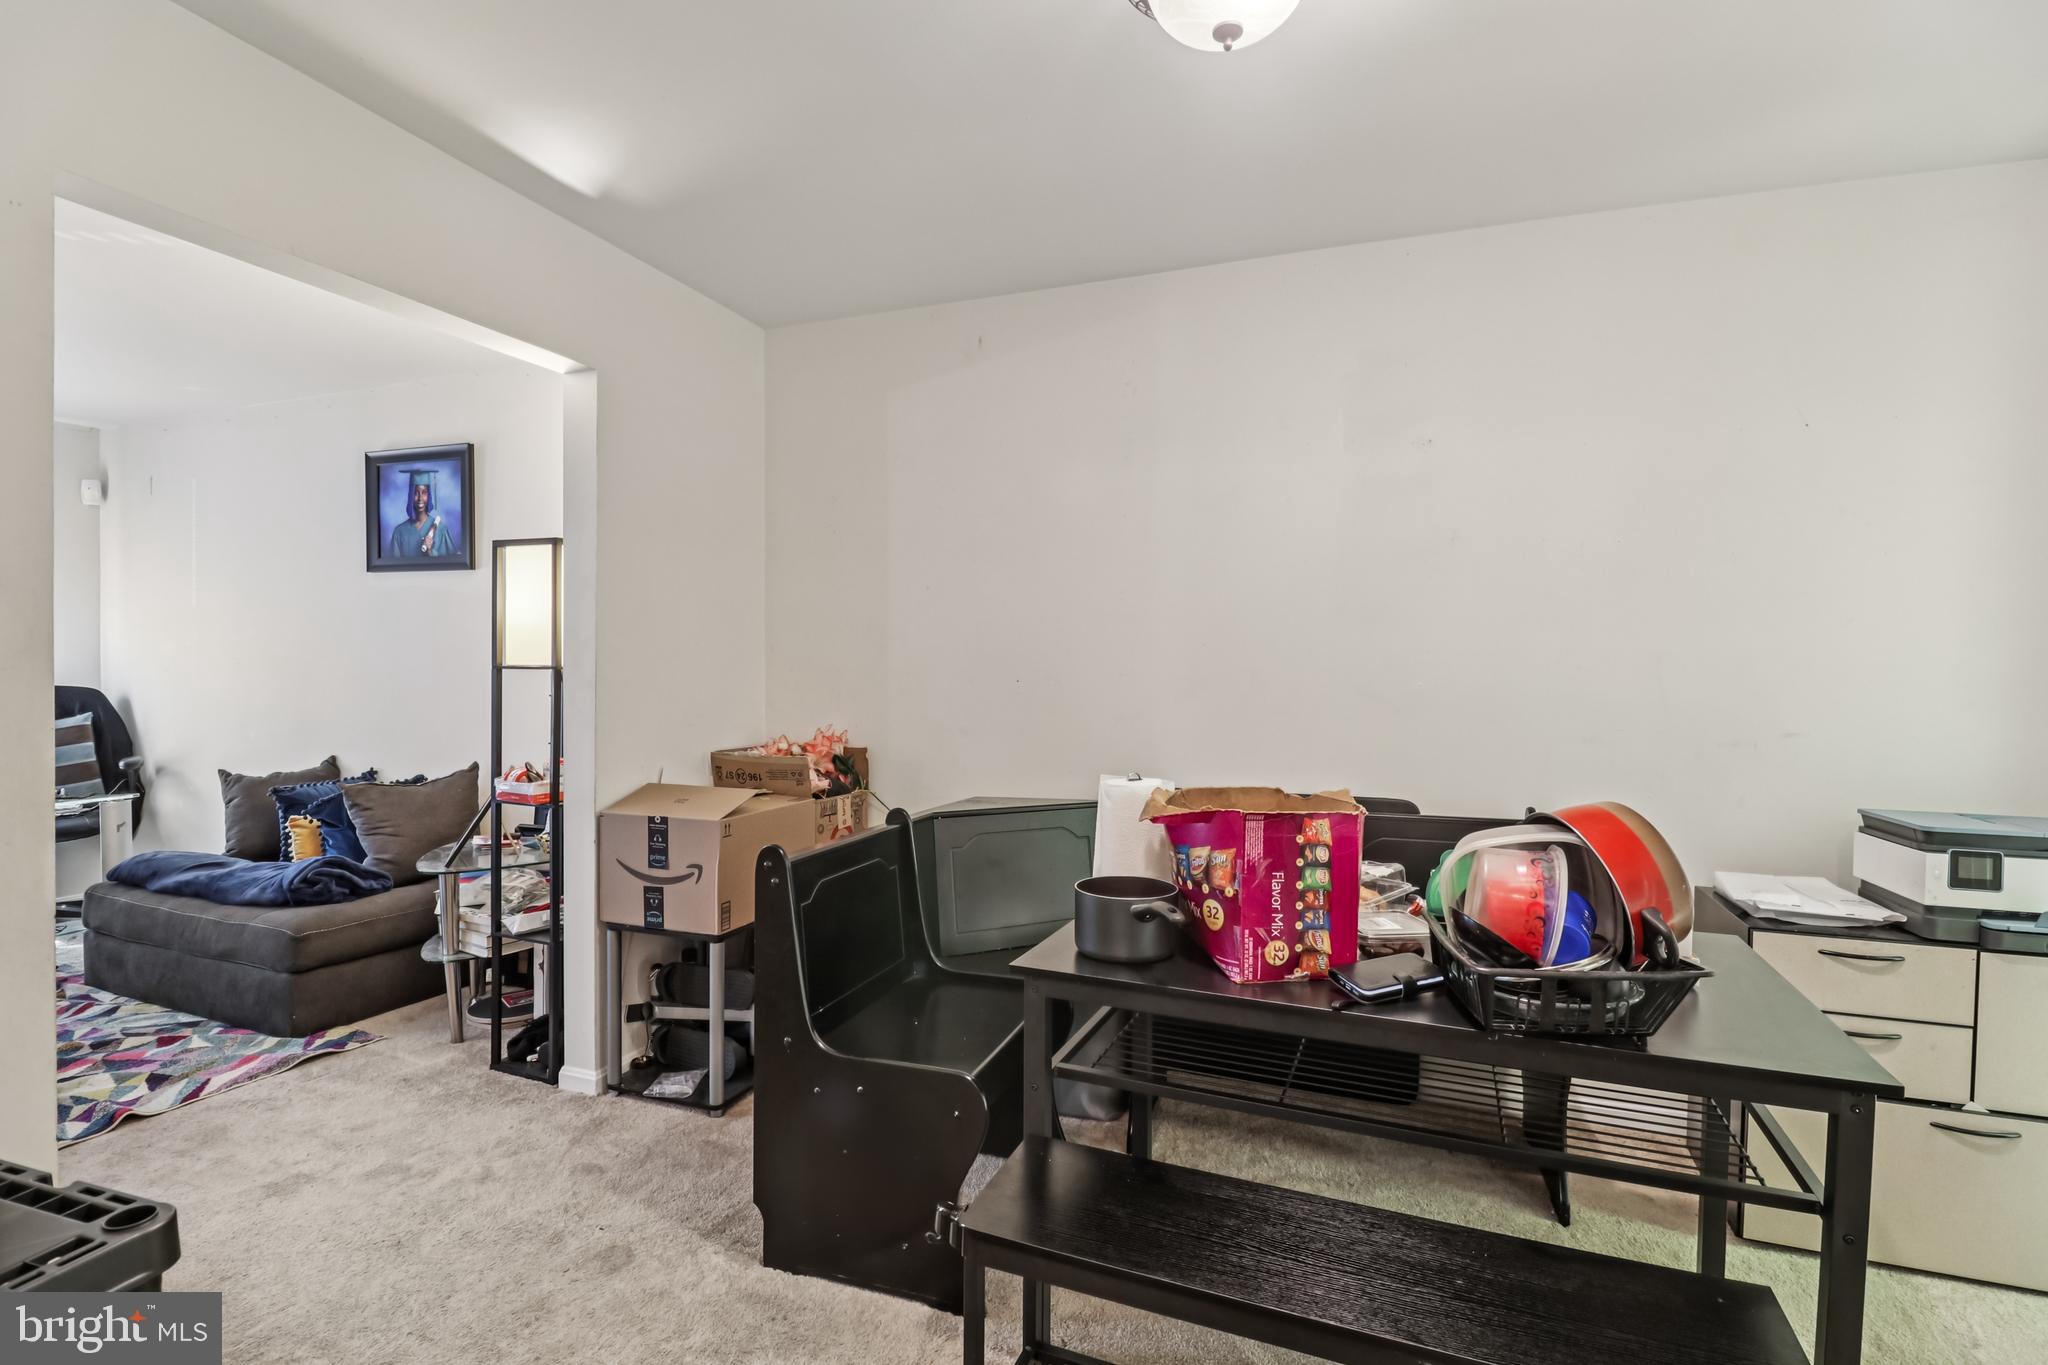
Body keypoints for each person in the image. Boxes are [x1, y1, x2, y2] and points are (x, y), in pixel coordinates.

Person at [388, 471, 456, 559]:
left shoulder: (441, 530)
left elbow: (453, 566)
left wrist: (430, 552)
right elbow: (393, 569)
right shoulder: (399, 532)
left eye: (424, 492)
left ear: (429, 495)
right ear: (410, 496)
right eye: (416, 493)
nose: (420, 498)